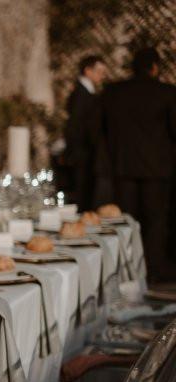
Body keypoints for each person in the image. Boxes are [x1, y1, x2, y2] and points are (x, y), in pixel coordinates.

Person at [99, 47, 176, 280]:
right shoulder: (167, 93)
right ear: (154, 67)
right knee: (155, 221)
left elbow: (102, 130)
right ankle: (152, 270)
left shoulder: (113, 92)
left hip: (122, 166)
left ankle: (125, 268)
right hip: (157, 169)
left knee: (126, 221)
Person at [64, 55, 107, 209]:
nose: (102, 76)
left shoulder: (86, 93)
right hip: (82, 153)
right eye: (99, 71)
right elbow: (76, 125)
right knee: (82, 195)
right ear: (87, 71)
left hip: (83, 152)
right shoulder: (81, 95)